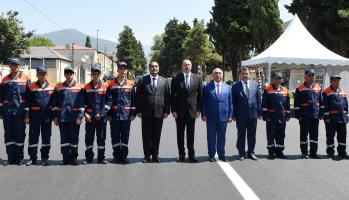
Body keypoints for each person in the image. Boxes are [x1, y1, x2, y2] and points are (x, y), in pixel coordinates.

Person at [136, 61, 170, 163]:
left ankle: (155, 155)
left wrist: (166, 111)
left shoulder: (164, 81)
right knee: (146, 134)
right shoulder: (143, 79)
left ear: (158, 68)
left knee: (156, 134)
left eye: (156, 66)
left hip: (159, 112)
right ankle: (146, 155)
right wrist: (139, 110)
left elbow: (167, 97)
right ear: (149, 68)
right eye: (152, 66)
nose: (154, 68)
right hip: (145, 112)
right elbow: (138, 96)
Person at [102, 62, 136, 164]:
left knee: (125, 136)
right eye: (120, 68)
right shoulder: (111, 84)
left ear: (127, 71)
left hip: (126, 116)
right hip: (114, 116)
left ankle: (124, 156)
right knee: (115, 136)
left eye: (124, 69)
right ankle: (117, 156)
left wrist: (133, 113)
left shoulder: (131, 84)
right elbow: (108, 100)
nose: (122, 70)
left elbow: (133, 100)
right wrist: (108, 114)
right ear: (118, 70)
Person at [171, 59, 202, 162]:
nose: (187, 66)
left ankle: (191, 154)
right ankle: (181, 154)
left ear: (191, 66)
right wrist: (173, 110)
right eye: (185, 65)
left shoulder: (197, 78)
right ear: (182, 66)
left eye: (189, 65)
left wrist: (198, 109)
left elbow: (200, 95)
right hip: (179, 111)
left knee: (190, 133)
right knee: (180, 133)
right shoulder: (176, 78)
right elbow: (173, 96)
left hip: (192, 111)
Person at [0, 58, 31, 166]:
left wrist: (27, 114)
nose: (14, 66)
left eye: (16, 65)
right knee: (8, 135)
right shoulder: (4, 79)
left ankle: (19, 158)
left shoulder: (26, 78)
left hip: (20, 112)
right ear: (9, 66)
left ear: (20, 66)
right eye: (12, 64)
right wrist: (1, 112)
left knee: (20, 135)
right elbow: (1, 97)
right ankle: (10, 158)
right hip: (7, 112)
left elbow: (28, 98)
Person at [53, 66, 84, 165]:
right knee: (64, 139)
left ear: (73, 74)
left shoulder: (80, 87)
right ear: (64, 74)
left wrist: (80, 117)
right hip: (62, 118)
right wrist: (56, 117)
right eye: (67, 73)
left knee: (74, 139)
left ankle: (73, 158)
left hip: (74, 118)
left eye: (71, 73)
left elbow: (82, 105)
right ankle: (65, 158)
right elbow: (55, 104)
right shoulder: (59, 87)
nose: (69, 75)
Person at [201, 68, 233, 162]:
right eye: (216, 73)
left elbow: (231, 103)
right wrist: (204, 114)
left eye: (220, 73)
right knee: (211, 136)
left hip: (224, 116)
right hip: (211, 116)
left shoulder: (228, 88)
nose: (218, 75)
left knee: (222, 136)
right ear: (213, 75)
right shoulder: (207, 87)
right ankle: (211, 155)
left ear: (222, 75)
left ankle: (221, 154)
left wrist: (230, 115)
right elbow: (204, 103)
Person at [25, 66, 55, 166]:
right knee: (33, 138)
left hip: (47, 117)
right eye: (40, 74)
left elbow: (55, 104)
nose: (42, 76)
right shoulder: (31, 87)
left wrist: (55, 117)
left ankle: (44, 158)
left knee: (46, 138)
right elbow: (27, 104)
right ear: (37, 74)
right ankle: (32, 158)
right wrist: (27, 116)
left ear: (47, 75)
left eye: (44, 74)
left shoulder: (52, 87)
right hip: (34, 117)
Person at [231, 67, 261, 161]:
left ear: (249, 74)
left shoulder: (255, 85)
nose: (245, 75)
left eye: (246, 73)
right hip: (240, 115)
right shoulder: (235, 86)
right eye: (243, 73)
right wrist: (233, 115)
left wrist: (259, 112)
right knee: (241, 134)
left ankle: (251, 152)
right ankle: (241, 153)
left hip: (253, 114)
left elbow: (258, 99)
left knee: (252, 135)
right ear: (240, 74)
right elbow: (233, 101)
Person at [83, 64, 108, 164]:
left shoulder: (105, 86)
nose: (96, 75)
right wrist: (85, 114)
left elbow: (108, 102)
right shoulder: (86, 87)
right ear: (91, 74)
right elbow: (82, 102)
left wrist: (101, 114)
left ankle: (101, 158)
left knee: (101, 138)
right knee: (89, 138)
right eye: (94, 73)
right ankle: (89, 158)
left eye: (97, 73)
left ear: (100, 74)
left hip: (102, 118)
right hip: (90, 117)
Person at [294, 69, 322, 159]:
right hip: (304, 116)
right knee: (304, 134)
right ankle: (304, 152)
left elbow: (321, 102)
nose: (311, 77)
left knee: (314, 135)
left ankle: (313, 152)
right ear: (305, 77)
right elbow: (296, 104)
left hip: (315, 115)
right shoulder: (300, 88)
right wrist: (298, 115)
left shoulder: (318, 87)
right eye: (309, 75)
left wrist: (321, 114)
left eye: (312, 75)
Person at [261, 72, 290, 159]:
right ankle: (271, 152)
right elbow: (264, 104)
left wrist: (288, 114)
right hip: (271, 116)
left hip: (282, 116)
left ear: (282, 80)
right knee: (271, 135)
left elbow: (287, 104)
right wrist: (265, 116)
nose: (278, 80)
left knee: (281, 135)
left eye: (279, 78)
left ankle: (279, 152)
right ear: (273, 79)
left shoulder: (285, 90)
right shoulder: (268, 89)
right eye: (276, 78)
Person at [323, 75, 349, 159]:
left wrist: (347, 116)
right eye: (335, 80)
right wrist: (326, 117)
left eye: (338, 80)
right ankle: (330, 152)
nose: (337, 82)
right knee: (330, 136)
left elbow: (346, 106)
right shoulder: (326, 92)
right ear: (331, 82)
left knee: (342, 136)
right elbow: (324, 105)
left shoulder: (343, 91)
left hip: (342, 118)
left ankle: (342, 152)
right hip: (331, 118)